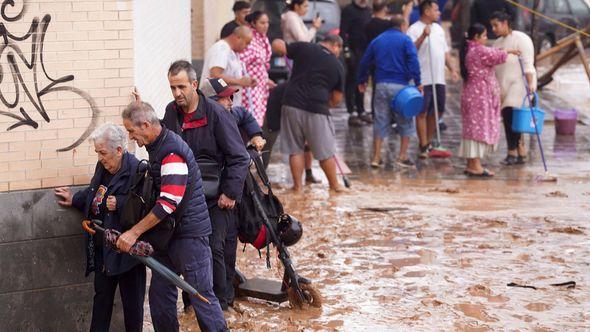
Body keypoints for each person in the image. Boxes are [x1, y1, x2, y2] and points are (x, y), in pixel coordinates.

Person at [118, 102, 228, 331]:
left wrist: (133, 233)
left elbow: (168, 203)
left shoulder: (171, 153)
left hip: (189, 237)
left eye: (131, 131)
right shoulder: (158, 144)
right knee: (159, 297)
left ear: (146, 125)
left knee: (201, 296)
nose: (131, 137)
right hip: (168, 236)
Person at [161, 61, 250, 312]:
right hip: (185, 196)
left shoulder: (217, 114)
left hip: (216, 197)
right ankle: (192, 304)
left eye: (181, 87)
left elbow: (239, 156)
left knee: (214, 248)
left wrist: (230, 193)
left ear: (194, 85)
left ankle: (220, 305)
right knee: (189, 250)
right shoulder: (171, 113)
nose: (177, 93)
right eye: (172, 88)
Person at [54, 123, 146, 332]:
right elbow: (94, 192)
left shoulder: (137, 170)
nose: (100, 158)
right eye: (97, 152)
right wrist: (75, 199)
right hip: (103, 248)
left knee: (133, 308)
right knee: (101, 302)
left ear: (119, 150)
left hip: (127, 251)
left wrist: (120, 203)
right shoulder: (103, 167)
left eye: (103, 152)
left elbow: (147, 206)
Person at [271, 35, 346, 192]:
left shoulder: (305, 47)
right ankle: (335, 186)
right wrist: (326, 105)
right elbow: (336, 98)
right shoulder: (338, 66)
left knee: (295, 149)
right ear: (336, 46)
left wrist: (278, 49)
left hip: (291, 104)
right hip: (317, 108)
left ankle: (297, 187)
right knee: (325, 152)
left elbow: (278, 45)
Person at [358, 15, 421, 169]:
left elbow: (365, 61)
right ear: (403, 26)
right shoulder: (406, 41)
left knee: (380, 120)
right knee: (405, 120)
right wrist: (418, 82)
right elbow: (413, 61)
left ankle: (376, 157)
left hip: (381, 85)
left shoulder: (378, 40)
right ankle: (402, 156)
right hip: (401, 88)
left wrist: (362, 80)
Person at [458, 23, 519, 177]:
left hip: (471, 94)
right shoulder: (479, 50)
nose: (486, 38)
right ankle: (476, 165)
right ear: (476, 37)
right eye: (484, 36)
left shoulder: (470, 49)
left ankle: (472, 163)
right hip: (479, 96)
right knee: (479, 128)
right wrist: (509, 51)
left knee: (472, 129)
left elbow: (492, 52)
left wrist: (507, 50)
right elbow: (497, 56)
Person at [407, 0, 459, 158]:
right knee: (421, 111)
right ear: (427, 11)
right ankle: (423, 145)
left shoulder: (438, 29)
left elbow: (444, 52)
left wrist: (452, 69)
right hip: (423, 77)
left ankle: (429, 142)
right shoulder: (413, 29)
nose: (439, 13)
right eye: (436, 10)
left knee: (438, 109)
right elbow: (410, 52)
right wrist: (423, 36)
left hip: (439, 77)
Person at [491, 11, 536, 166]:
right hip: (503, 85)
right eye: (492, 26)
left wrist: (530, 84)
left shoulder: (522, 39)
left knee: (513, 115)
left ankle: (512, 151)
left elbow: (528, 63)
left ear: (505, 23)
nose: (494, 29)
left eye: (496, 25)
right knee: (509, 118)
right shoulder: (496, 44)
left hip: (520, 84)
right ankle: (520, 149)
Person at [201, 77, 267, 151]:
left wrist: (256, 135)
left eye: (231, 97)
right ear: (211, 101)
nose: (231, 103)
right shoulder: (199, 126)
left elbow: (244, 113)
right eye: (225, 98)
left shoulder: (230, 114)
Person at [200, 26, 256, 108]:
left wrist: (246, 81)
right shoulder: (221, 49)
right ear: (238, 37)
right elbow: (215, 76)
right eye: (247, 42)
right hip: (217, 106)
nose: (247, 47)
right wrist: (239, 82)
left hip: (227, 106)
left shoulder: (231, 51)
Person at [340, 0, 372, 127]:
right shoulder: (349, 10)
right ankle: (351, 111)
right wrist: (347, 51)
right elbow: (343, 32)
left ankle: (361, 109)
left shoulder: (368, 11)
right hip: (354, 50)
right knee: (352, 81)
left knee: (363, 81)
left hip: (366, 51)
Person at [239, 10, 274, 126]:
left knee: (257, 120)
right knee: (250, 120)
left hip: (261, 87)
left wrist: (266, 80)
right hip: (250, 87)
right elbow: (241, 62)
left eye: (267, 23)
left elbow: (262, 64)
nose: (266, 26)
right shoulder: (249, 39)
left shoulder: (262, 38)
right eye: (262, 23)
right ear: (253, 23)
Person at [261, 81, 288, 169]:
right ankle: (261, 174)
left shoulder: (284, 87)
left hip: (271, 117)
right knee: (266, 147)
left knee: (266, 147)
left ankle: (261, 173)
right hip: (270, 119)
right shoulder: (287, 88)